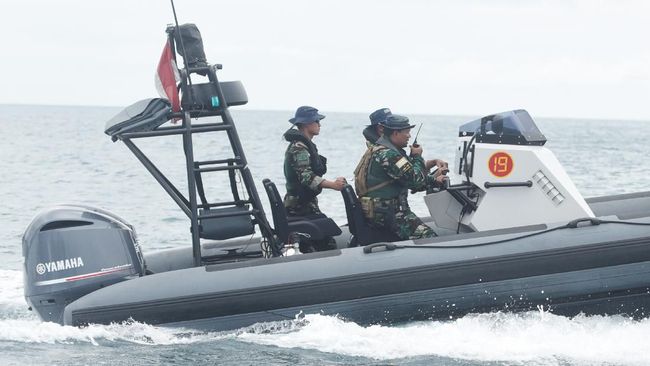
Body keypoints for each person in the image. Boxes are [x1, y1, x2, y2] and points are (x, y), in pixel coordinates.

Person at [354, 111, 448, 240]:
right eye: (407, 132)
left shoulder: (379, 149)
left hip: (382, 212)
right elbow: (416, 182)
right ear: (395, 133)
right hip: (389, 214)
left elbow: (406, 176)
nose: (409, 136)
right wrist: (417, 156)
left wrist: (434, 179)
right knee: (431, 239)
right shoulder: (389, 155)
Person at [283, 106, 346, 251]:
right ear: (307, 124)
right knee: (327, 243)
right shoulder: (299, 148)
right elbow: (307, 177)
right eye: (317, 121)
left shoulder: (304, 145)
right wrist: (333, 185)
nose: (320, 125)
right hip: (299, 208)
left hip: (305, 205)